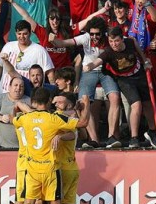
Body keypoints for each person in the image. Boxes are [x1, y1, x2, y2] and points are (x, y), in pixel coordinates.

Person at [13, 88, 90, 204]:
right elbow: (82, 124)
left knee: (28, 203)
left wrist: (21, 107)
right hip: (51, 168)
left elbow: (15, 118)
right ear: (48, 101)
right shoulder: (55, 119)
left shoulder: (26, 118)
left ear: (33, 101)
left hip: (32, 168)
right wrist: (87, 105)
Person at [83, 26, 156, 148]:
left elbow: (140, 52)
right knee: (136, 104)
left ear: (122, 39)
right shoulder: (108, 52)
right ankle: (134, 138)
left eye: (117, 41)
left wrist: (145, 62)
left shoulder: (130, 41)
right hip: (124, 79)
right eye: (111, 41)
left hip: (139, 74)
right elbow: (97, 61)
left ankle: (152, 131)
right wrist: (89, 67)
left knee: (148, 104)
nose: (114, 44)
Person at [52, 17, 122, 149]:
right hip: (88, 71)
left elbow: (125, 42)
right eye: (92, 34)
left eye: (97, 34)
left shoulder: (109, 38)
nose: (94, 37)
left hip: (106, 71)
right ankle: (93, 139)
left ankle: (112, 137)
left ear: (103, 32)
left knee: (115, 97)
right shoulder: (85, 37)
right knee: (84, 101)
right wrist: (53, 41)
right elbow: (63, 43)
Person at [0, 20, 54, 101]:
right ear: (15, 33)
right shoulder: (8, 46)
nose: (22, 37)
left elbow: (50, 74)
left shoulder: (39, 50)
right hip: (5, 94)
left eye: (25, 34)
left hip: (27, 96)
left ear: (30, 33)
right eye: (19, 34)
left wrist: (53, 93)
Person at [52, 92, 83, 204]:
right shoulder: (69, 119)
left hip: (62, 168)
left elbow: (72, 133)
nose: (56, 103)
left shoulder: (61, 119)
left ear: (69, 105)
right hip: (72, 167)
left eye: (60, 101)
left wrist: (60, 137)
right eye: (55, 101)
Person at [0, 77, 30, 149]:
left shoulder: (28, 100)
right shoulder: (1, 98)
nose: (18, 88)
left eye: (21, 86)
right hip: (3, 146)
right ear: (9, 87)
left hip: (23, 147)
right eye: (16, 85)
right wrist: (1, 118)